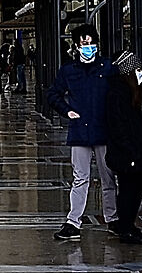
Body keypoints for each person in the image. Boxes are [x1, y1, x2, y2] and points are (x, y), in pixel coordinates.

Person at [44, 25, 115, 240]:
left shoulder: (107, 67)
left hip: (103, 130)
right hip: (80, 132)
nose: (88, 47)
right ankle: (73, 222)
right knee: (80, 178)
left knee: (108, 178)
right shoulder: (68, 71)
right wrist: (67, 111)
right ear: (76, 46)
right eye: (84, 44)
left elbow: (132, 76)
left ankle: (113, 218)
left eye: (91, 43)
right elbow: (53, 94)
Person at [102, 49, 142, 242]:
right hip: (127, 152)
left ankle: (128, 225)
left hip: (133, 149)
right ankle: (126, 227)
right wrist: (131, 150)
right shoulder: (118, 92)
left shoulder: (127, 90)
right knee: (129, 189)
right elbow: (119, 125)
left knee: (135, 187)